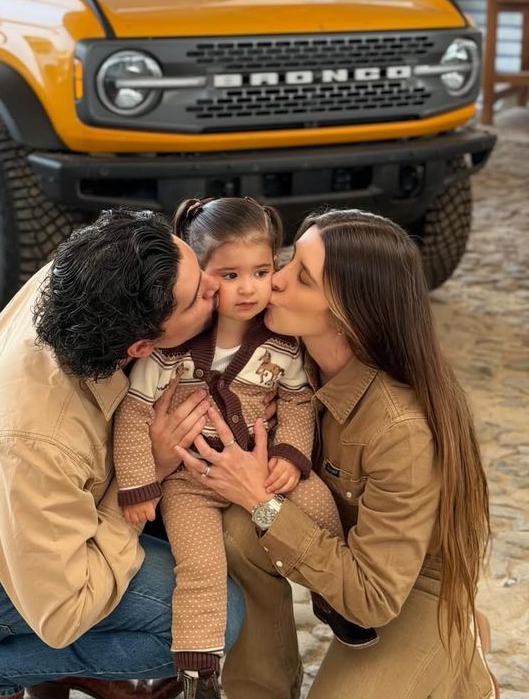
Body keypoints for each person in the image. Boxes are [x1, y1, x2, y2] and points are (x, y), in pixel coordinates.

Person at [0, 208, 248, 699]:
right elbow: (66, 611)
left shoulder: (91, 270)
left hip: (24, 520)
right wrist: (148, 473)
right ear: (141, 346)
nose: (214, 286)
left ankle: (68, 664)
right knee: (211, 619)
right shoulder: (34, 442)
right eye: (197, 298)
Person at [175, 208, 498, 699]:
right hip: (332, 540)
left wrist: (262, 499)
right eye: (285, 262)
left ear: (349, 314)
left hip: (406, 590)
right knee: (235, 530)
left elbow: (373, 597)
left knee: (253, 511)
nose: (273, 282)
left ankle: (461, 654)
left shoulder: (399, 429)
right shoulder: (285, 355)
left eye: (300, 277)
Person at [113, 198, 375, 698]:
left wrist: (292, 457)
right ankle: (198, 669)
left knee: (319, 504)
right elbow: (134, 414)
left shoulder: (280, 343)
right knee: (199, 567)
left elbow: (298, 402)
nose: (249, 287)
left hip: (263, 468)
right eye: (230, 276)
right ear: (204, 279)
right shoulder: (170, 352)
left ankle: (333, 597)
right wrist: (138, 484)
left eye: (261, 270)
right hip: (191, 483)